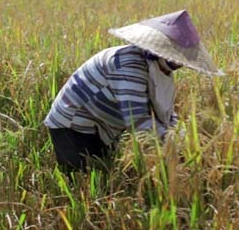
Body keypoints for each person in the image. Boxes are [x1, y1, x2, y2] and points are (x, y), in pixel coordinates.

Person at [44, 10, 223, 172]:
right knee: (82, 181)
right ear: (162, 50)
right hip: (74, 125)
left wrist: (186, 136)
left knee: (103, 174)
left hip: (103, 124)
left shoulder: (159, 69)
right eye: (178, 58)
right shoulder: (129, 66)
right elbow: (137, 120)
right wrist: (180, 144)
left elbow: (163, 114)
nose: (181, 64)